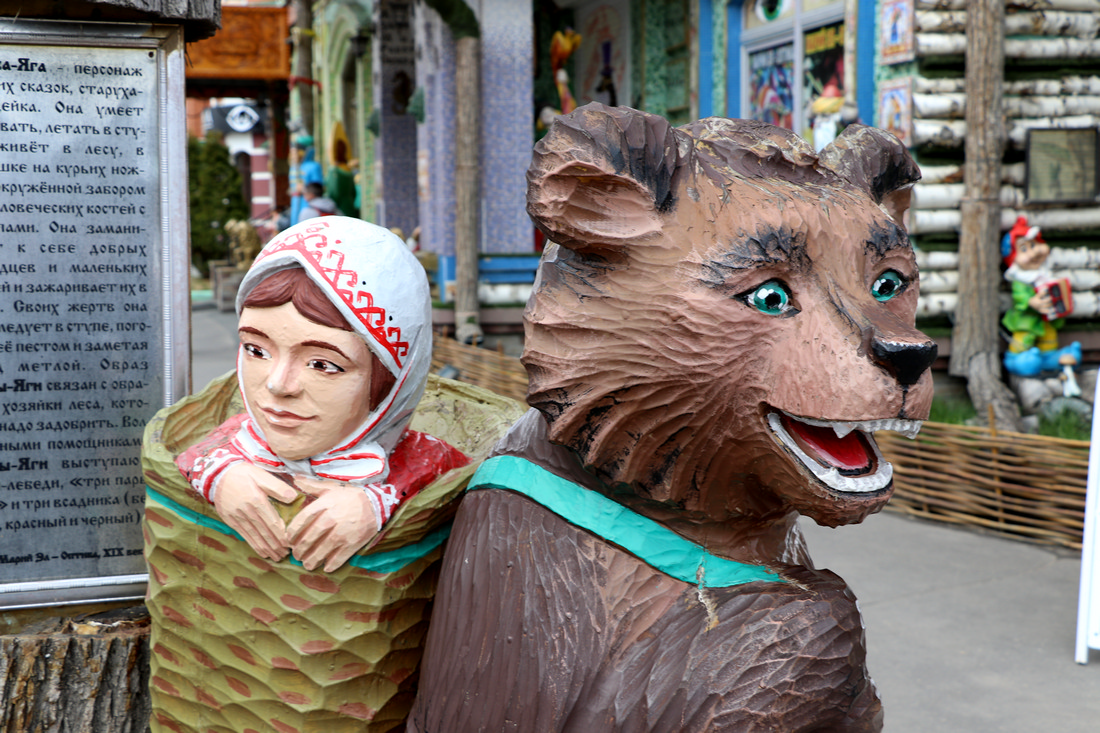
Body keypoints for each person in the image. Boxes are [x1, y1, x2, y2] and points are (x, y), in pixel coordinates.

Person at [176, 216, 467, 570]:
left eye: (322, 365)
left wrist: (377, 501)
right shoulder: (244, 438)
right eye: (256, 350)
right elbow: (193, 453)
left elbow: (449, 476)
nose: (278, 384)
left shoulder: (417, 455)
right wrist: (222, 475)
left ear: (392, 382)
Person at [1001, 215, 1081, 388]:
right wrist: (1032, 302)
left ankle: (1049, 356)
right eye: (1024, 248)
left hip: (1046, 319)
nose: (1034, 252)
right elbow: (1020, 297)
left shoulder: (1044, 275)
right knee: (1024, 337)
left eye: (1034, 244)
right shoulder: (1021, 279)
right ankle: (1016, 359)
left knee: (1049, 335)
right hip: (1026, 320)